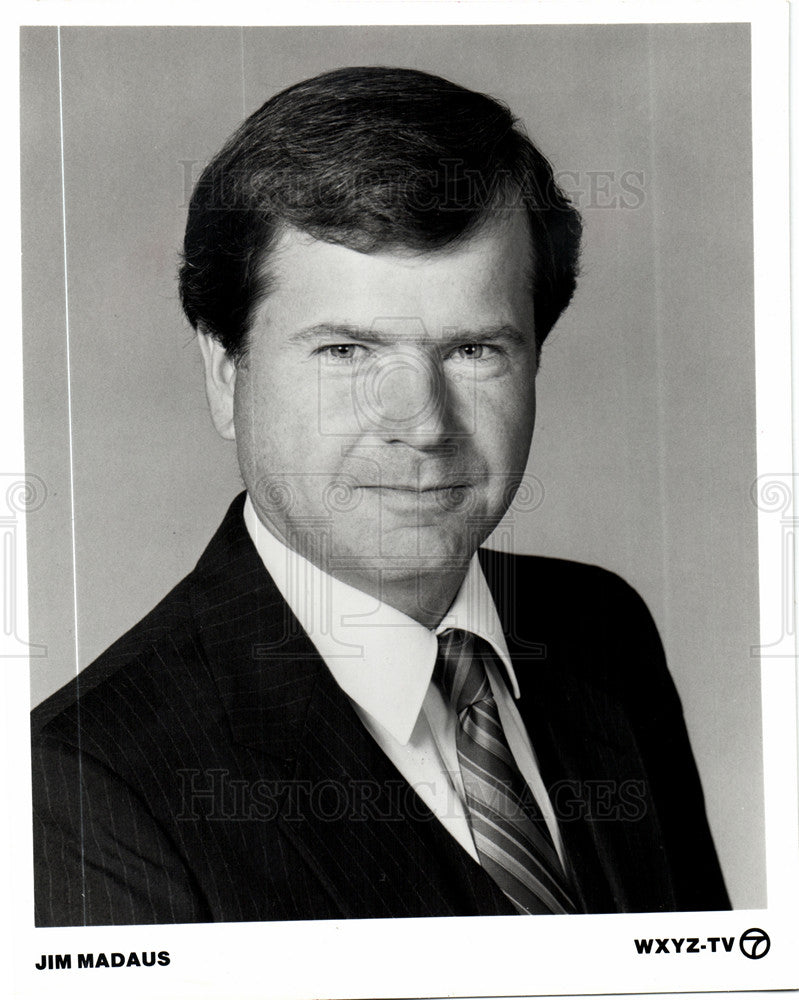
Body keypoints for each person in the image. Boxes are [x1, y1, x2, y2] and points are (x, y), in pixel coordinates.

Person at [31, 65, 730, 925]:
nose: (422, 425)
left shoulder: (601, 630)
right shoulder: (81, 785)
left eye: (474, 351)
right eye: (346, 353)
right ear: (224, 374)